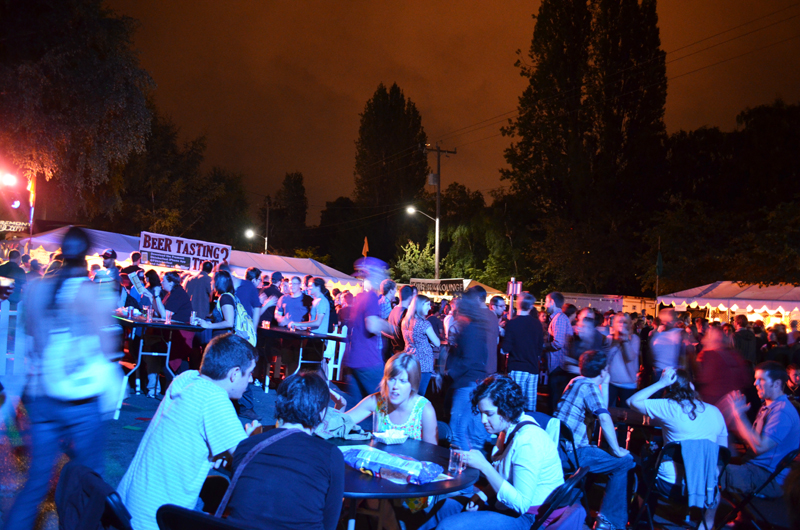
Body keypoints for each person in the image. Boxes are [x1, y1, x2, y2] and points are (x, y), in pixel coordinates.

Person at [4, 227, 118, 530]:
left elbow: (33, 338)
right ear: (87, 254)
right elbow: (107, 345)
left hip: (42, 395)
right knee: (89, 481)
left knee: (35, 483)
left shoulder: (38, 289)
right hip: (80, 401)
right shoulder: (90, 291)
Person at [117, 334, 260, 530]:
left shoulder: (186, 379)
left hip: (126, 511)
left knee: (216, 487)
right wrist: (252, 439)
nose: (251, 380)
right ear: (235, 373)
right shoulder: (213, 398)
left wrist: (224, 452)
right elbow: (251, 462)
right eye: (250, 373)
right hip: (154, 522)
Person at [413, 375, 564, 530]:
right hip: (508, 505)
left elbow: (521, 504)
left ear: (507, 408)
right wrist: (482, 495)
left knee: (449, 526)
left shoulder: (528, 441)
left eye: (489, 414)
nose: (483, 420)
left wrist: (484, 466)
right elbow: (506, 479)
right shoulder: (507, 430)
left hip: (531, 517)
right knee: (443, 506)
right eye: (481, 413)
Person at [225, 372, 344, 530]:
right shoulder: (330, 455)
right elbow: (330, 522)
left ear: (278, 405)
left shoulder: (246, 446)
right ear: (321, 413)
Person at [627, 368, 727, 530]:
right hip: (706, 487)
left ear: (668, 389)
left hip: (670, 485)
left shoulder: (669, 406)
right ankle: (705, 525)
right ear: (691, 386)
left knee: (647, 454)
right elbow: (722, 455)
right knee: (714, 484)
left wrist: (661, 383)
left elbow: (632, 401)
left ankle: (642, 520)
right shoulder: (716, 412)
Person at [708, 361, 800, 525]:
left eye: (761, 379)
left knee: (708, 472)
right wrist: (735, 418)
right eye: (755, 379)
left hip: (767, 477)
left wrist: (738, 415)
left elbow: (759, 447)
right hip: (757, 469)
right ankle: (743, 518)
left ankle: (705, 524)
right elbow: (752, 440)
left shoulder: (782, 412)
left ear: (777, 383)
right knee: (711, 460)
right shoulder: (770, 407)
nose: (755, 383)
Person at [555, 350, 635, 530]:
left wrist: (604, 383)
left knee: (603, 458)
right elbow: (604, 418)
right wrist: (616, 450)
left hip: (560, 449)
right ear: (603, 370)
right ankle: (608, 522)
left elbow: (601, 407)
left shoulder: (576, 381)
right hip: (574, 452)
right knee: (625, 461)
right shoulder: (589, 387)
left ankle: (572, 503)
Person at [345, 353, 438, 444]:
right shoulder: (378, 401)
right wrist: (341, 406)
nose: (395, 386)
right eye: (391, 379)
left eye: (403, 381)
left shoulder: (424, 410)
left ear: (412, 384)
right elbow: (341, 423)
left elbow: (431, 451)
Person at [341, 257, 392, 404]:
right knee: (384, 403)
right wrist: (391, 328)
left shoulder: (361, 297)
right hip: (368, 361)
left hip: (353, 360)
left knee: (356, 407)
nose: (384, 277)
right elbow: (372, 325)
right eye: (382, 274)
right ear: (374, 274)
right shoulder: (371, 297)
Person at [446, 293, 491, 452]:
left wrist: (450, 373)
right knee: (474, 433)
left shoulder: (470, 330)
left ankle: (462, 464)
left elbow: (468, 360)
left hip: (467, 383)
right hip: (476, 381)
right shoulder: (478, 328)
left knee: (457, 431)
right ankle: (476, 462)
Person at [502, 292, 543, 414]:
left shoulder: (512, 323)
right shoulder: (537, 324)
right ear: (531, 306)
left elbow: (506, 348)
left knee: (515, 404)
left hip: (517, 367)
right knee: (530, 406)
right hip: (533, 368)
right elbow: (539, 347)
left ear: (518, 305)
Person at [693, 326, 751, 407]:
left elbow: (703, 378)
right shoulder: (735, 354)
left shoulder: (707, 355)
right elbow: (746, 379)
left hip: (713, 401)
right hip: (735, 401)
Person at [401, 294, 440, 396]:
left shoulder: (405, 321)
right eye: (427, 304)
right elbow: (437, 342)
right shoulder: (424, 324)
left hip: (410, 361)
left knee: (409, 392)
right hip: (424, 364)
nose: (430, 307)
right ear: (420, 305)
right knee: (419, 394)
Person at [543, 292, 573, 413]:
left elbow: (558, 343)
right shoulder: (558, 318)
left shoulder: (559, 319)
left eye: (546, 302)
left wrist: (542, 346)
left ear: (552, 302)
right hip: (558, 367)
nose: (545, 305)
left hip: (558, 367)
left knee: (555, 403)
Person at [607, 313, 641, 408]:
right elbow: (607, 359)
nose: (622, 325)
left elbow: (630, 357)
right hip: (611, 382)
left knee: (625, 413)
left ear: (629, 324)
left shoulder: (634, 339)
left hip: (628, 383)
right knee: (608, 411)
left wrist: (625, 340)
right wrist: (616, 341)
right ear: (614, 324)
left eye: (625, 322)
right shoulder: (609, 339)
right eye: (619, 322)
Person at [649, 308, 684, 381]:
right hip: (672, 373)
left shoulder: (655, 336)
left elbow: (651, 358)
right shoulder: (678, 334)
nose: (676, 318)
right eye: (674, 316)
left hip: (658, 373)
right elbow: (683, 357)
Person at [385, 284, 414, 355]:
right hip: (402, 352)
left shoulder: (393, 311)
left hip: (393, 351)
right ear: (411, 297)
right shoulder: (406, 313)